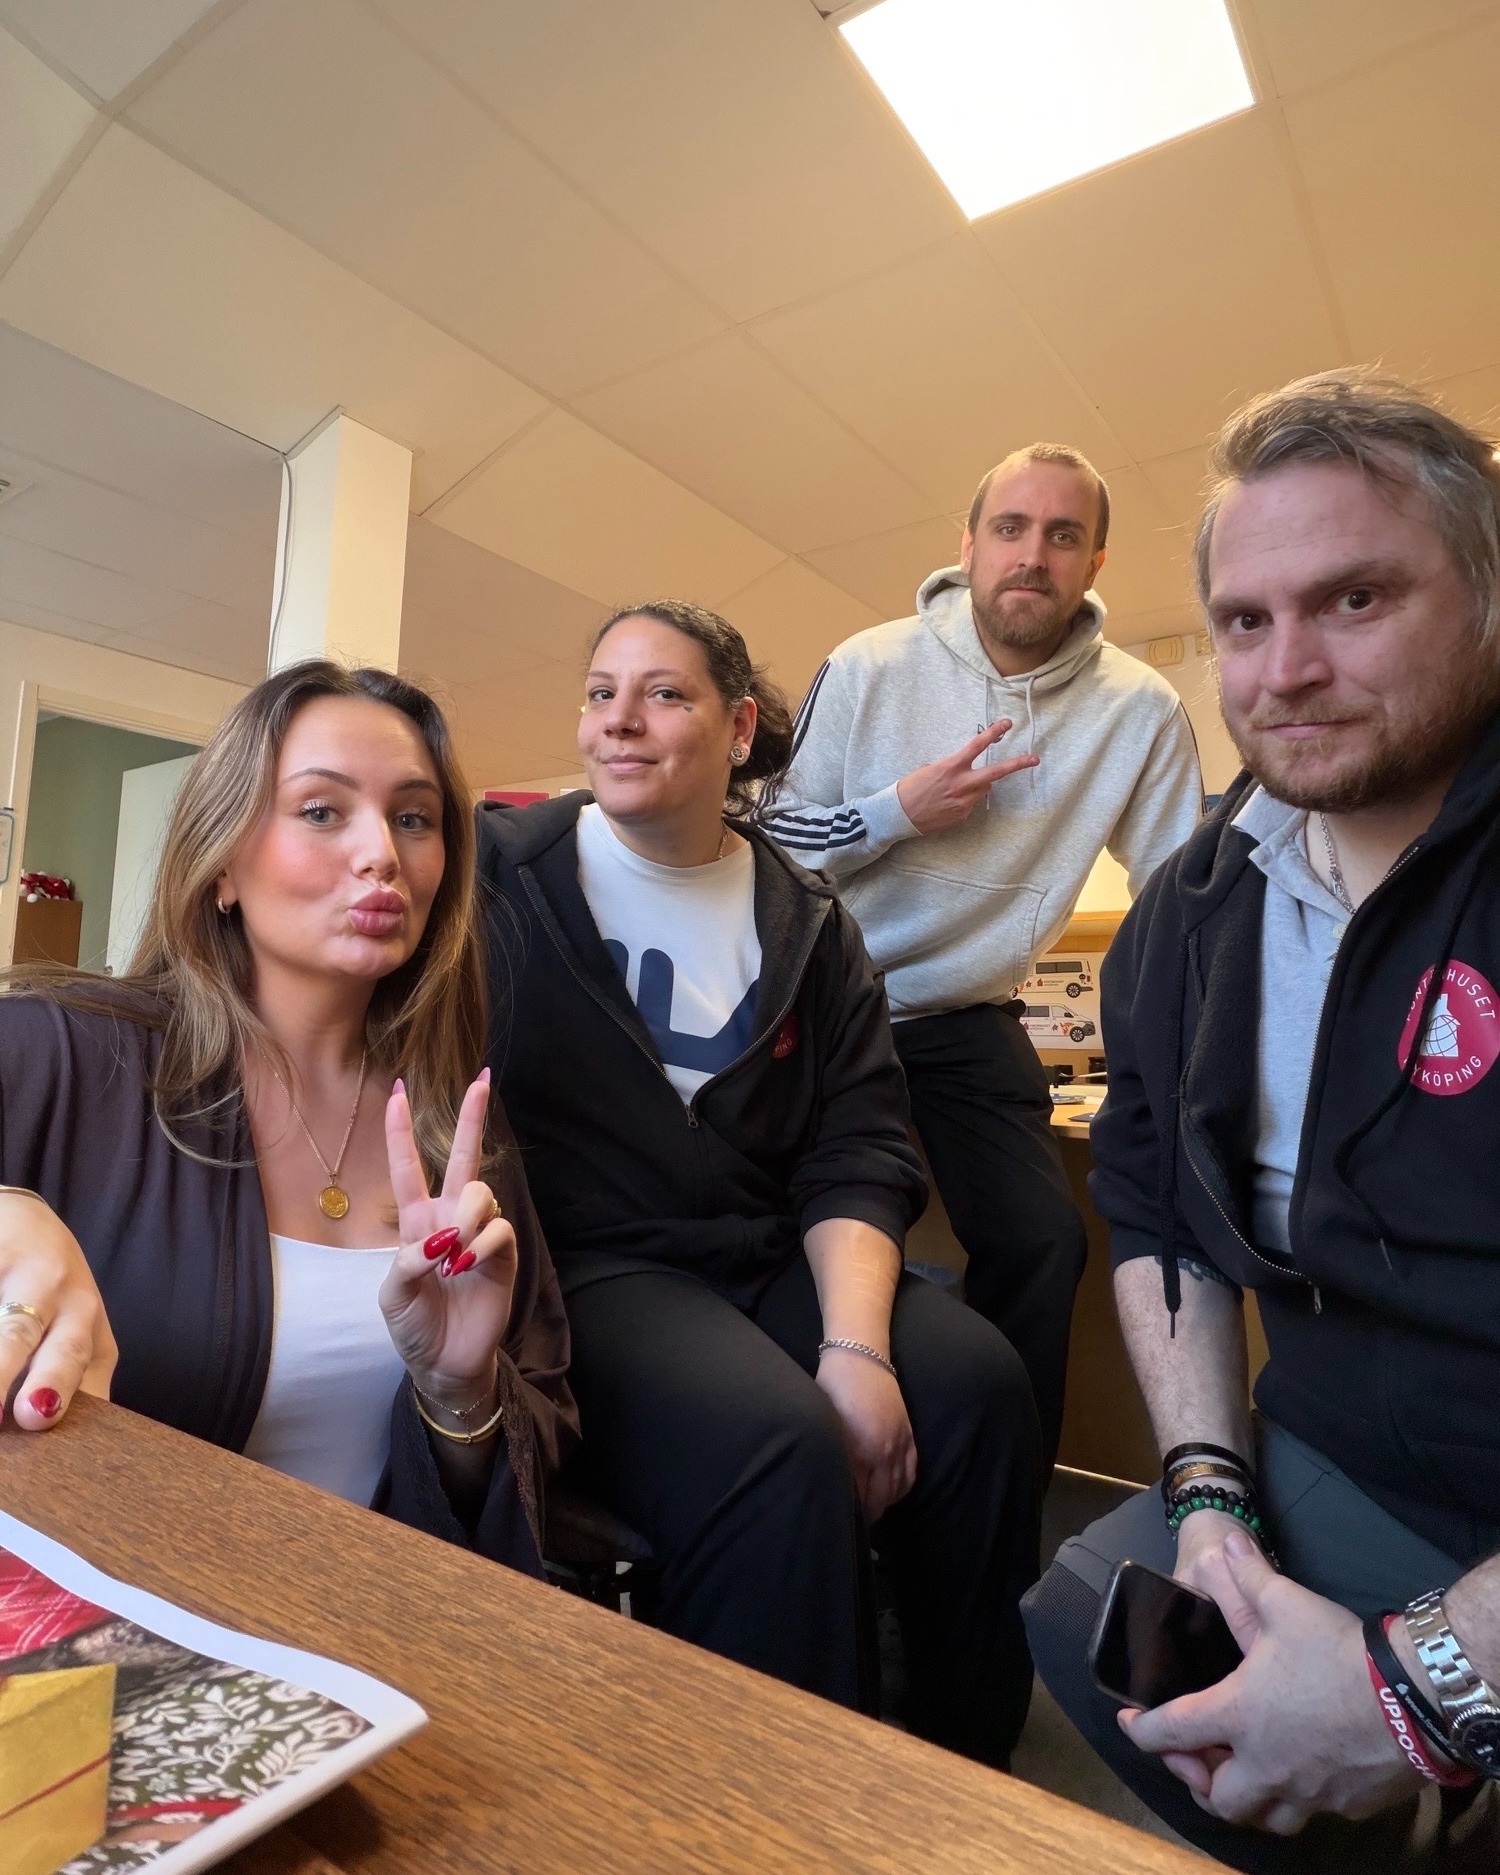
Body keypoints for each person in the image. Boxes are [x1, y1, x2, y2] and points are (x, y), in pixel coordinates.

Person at [1023, 373, 1500, 1870]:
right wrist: (1206, 1495)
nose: (1286, 669)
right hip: (1343, 1451)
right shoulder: (1193, 908)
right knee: (1092, 1624)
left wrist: (1422, 1691)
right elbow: (1156, 1209)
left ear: (1486, 599)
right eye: (1243, 620)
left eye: (1355, 598)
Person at [477, 599, 1041, 1766]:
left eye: (663, 694)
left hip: (765, 1252)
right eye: (600, 693)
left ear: (738, 730)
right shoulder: (501, 878)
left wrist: (858, 1348)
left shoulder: (810, 923)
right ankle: (783, 1795)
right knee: (778, 1442)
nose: (618, 720)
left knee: (979, 1385)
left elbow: (859, 1148)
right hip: (593, 1270)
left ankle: (967, 1765)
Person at [0, 661, 576, 1577]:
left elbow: (536, 1451)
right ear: (223, 861)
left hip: (365, 1636)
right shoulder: (61, 1052)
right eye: (321, 809)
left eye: (414, 818)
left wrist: (459, 1393)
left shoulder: (456, 1125)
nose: (382, 852)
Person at [758, 444, 1203, 1467]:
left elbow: (1178, 898)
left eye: (1063, 535)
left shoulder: (1140, 710)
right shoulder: (870, 663)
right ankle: (802, 1458)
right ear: (967, 546)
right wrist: (895, 812)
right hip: (827, 1001)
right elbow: (770, 836)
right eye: (1011, 528)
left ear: (1095, 562)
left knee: (1046, 1241)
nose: (1033, 555)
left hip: (968, 1012)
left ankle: (997, 1484)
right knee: (774, 1226)